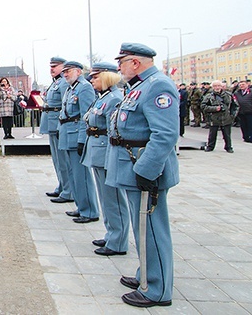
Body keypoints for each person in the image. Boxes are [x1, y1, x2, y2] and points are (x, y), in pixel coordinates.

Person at [106, 42, 179, 308]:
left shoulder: (157, 85)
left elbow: (165, 135)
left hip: (146, 169)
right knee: (142, 228)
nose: (119, 68)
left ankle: (157, 290)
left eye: (121, 62)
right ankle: (147, 275)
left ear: (135, 62)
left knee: (152, 230)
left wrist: (146, 170)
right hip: (134, 165)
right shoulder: (139, 86)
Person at [81, 62, 129, 256]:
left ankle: (118, 241)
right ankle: (111, 233)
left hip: (107, 151)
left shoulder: (114, 98)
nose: (92, 80)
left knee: (114, 199)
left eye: (95, 77)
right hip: (98, 151)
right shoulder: (103, 97)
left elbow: (114, 131)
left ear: (107, 77)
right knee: (105, 198)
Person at [58, 61, 98, 223]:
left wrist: (82, 140)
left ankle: (89, 211)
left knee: (82, 176)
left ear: (78, 72)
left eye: (68, 72)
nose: (65, 74)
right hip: (67, 135)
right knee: (73, 174)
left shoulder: (85, 88)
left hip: (76, 136)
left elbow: (85, 116)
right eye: (64, 72)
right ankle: (81, 206)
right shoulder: (71, 88)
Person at [41, 57, 74, 204]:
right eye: (51, 66)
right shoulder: (55, 83)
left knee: (63, 160)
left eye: (55, 66)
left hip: (58, 124)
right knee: (57, 160)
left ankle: (68, 190)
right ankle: (62, 185)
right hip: (52, 124)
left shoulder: (62, 83)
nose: (52, 69)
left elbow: (65, 104)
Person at [201, 80, 238, 153]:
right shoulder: (209, 96)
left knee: (227, 135)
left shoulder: (229, 95)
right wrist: (214, 108)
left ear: (222, 86)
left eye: (218, 86)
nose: (217, 87)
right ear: (212, 87)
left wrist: (232, 116)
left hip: (226, 118)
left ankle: (228, 147)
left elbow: (235, 106)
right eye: (215, 86)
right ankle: (210, 147)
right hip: (214, 118)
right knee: (212, 134)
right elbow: (203, 106)